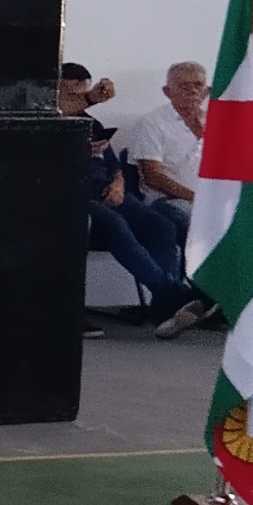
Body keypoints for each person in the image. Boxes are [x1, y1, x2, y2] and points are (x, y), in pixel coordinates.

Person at [86, 126, 207, 336]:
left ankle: (163, 309)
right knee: (115, 224)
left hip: (112, 193)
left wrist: (118, 186)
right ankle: (175, 295)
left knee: (162, 227)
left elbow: (115, 167)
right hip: (77, 197)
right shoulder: (52, 126)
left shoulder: (92, 124)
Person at [112, 61, 206, 246]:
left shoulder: (220, 120)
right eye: (183, 86)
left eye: (198, 85)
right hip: (171, 201)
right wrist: (198, 199)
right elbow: (153, 177)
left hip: (214, 200)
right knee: (199, 224)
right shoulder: (152, 123)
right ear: (167, 91)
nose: (193, 91)